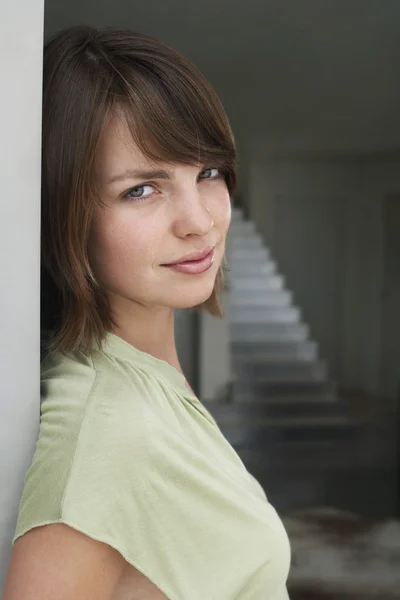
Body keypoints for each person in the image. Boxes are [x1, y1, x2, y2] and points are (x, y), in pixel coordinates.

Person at [2, 26, 290, 600]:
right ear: (64, 213)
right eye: (142, 189)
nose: (199, 220)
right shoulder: (105, 441)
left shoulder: (142, 378)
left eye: (207, 173)